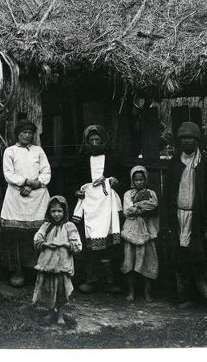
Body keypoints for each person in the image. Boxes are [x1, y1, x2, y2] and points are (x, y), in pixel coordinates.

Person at [162, 121, 207, 315]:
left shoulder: (206, 163)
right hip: (179, 217)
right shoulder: (175, 163)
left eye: (190, 138)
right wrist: (167, 221)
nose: (187, 141)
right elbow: (167, 195)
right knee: (181, 259)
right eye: (183, 138)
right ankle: (186, 297)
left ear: (197, 140)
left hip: (199, 218)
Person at [71, 124, 125, 294]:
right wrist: (76, 191)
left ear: (103, 140)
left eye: (97, 140)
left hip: (107, 207)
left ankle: (110, 280)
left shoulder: (114, 158)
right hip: (89, 207)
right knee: (90, 242)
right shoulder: (81, 159)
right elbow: (72, 179)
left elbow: (123, 177)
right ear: (87, 142)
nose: (94, 143)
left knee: (109, 243)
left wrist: (116, 182)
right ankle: (90, 279)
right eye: (91, 140)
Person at [0, 118, 51, 287]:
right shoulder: (10, 151)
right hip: (16, 198)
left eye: (30, 133)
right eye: (24, 133)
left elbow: (46, 173)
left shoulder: (38, 151)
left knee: (40, 234)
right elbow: (9, 175)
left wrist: (34, 184)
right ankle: (16, 271)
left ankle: (40, 270)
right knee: (13, 235)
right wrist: (26, 182)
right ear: (18, 134)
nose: (27, 136)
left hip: (37, 198)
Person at [32, 196, 82, 326]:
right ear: (49, 212)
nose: (56, 214)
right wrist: (45, 244)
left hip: (62, 265)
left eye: (59, 211)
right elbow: (37, 238)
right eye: (53, 211)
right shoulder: (46, 226)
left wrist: (66, 244)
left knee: (61, 291)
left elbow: (77, 245)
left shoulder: (69, 226)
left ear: (64, 211)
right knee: (48, 289)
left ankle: (60, 315)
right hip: (48, 264)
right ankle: (50, 312)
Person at [120, 165, 159, 302]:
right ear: (132, 180)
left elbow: (153, 205)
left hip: (147, 231)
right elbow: (127, 211)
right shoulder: (127, 194)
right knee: (130, 261)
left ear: (145, 179)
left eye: (141, 180)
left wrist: (137, 206)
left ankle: (147, 292)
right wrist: (141, 207)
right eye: (136, 180)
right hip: (131, 231)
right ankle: (131, 292)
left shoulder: (151, 193)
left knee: (147, 261)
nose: (139, 182)